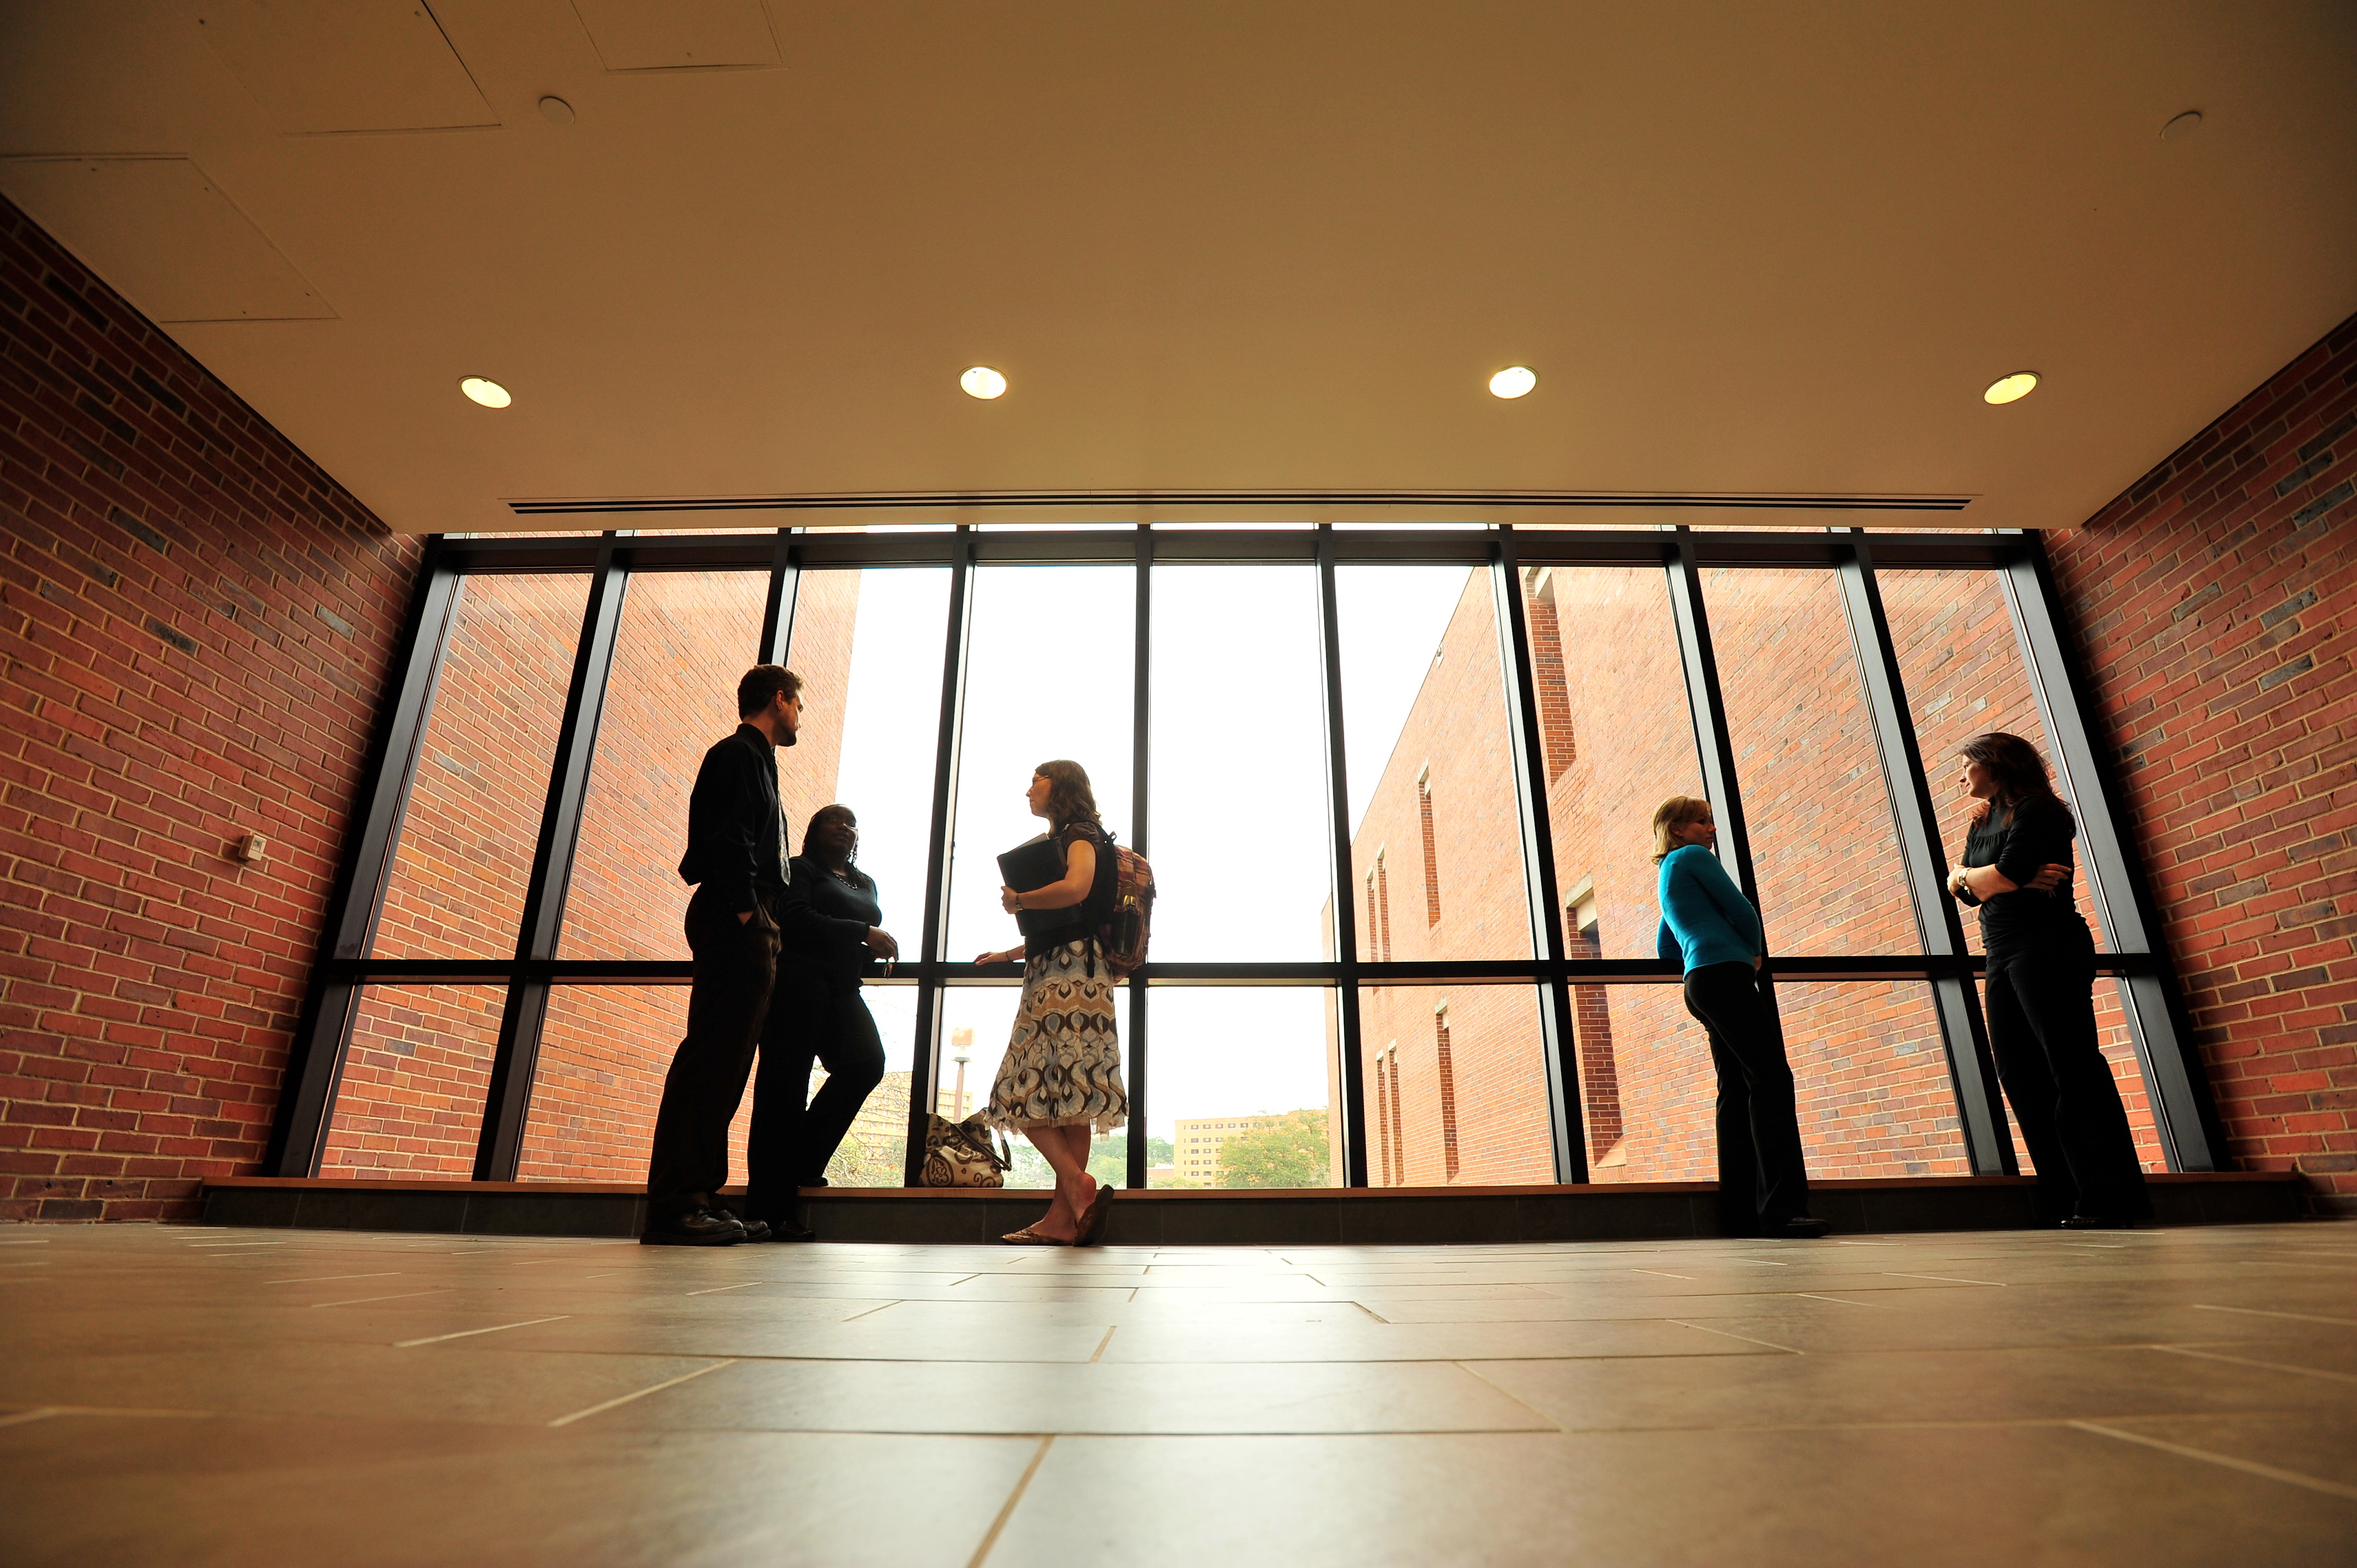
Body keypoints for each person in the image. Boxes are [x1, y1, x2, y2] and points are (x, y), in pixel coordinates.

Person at [642, 666, 897, 1246]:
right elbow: (726, 840)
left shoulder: (757, 760)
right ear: (779, 700)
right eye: (799, 703)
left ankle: (699, 1199)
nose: (802, 714)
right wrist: (746, 913)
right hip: (739, 921)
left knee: (727, 1067)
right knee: (712, 1063)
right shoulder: (736, 754)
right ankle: (678, 1204)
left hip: (752, 924)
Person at [1946, 732, 2151, 1228]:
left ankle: (2110, 1196)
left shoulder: (2040, 811)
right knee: (2017, 1071)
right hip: (2000, 951)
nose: (1961, 777)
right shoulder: (1983, 819)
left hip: (2048, 945)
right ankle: (2067, 1195)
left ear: (1995, 765)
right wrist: (1974, 877)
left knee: (2071, 1067)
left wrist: (1977, 877)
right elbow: (1964, 886)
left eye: (1968, 766)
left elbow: (2000, 877)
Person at [1653, 795, 1830, 1240]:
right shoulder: (1693, 857)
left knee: (1735, 1090)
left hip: (1699, 982)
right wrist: (1752, 953)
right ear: (1678, 829)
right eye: (1701, 822)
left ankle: (1742, 1214)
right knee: (1771, 1080)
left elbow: (1666, 946)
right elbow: (1741, 908)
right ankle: (1783, 1210)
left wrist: (1700, 952)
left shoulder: (1667, 872)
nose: (1711, 829)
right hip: (1727, 977)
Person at [973, 760, 1127, 1246]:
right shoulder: (1085, 834)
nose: (1027, 790)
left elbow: (1077, 888)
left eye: (1036, 781)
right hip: (1080, 971)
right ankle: (1064, 1220)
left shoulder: (1080, 834)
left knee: (1016, 1088)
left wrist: (1020, 900)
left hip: (1064, 979)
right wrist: (1010, 951)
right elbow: (1073, 917)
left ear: (1060, 785)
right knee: (1072, 1097)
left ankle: (1079, 1185)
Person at [744, 805, 890, 1237]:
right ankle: (770, 1212)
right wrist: (863, 931)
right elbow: (795, 918)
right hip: (798, 984)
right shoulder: (801, 869)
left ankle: (802, 1161)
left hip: (843, 988)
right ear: (815, 830)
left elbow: (849, 932)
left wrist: (868, 950)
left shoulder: (865, 882)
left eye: (851, 823)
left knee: (867, 1062)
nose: (845, 827)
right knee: (783, 1091)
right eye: (835, 820)